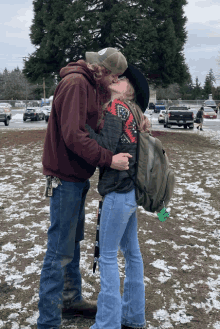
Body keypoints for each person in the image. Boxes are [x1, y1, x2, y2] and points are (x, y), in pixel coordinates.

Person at [37, 48, 132, 329]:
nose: (115, 81)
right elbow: (73, 135)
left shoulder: (91, 85)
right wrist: (107, 159)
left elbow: (96, 123)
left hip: (77, 177)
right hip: (64, 178)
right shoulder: (76, 84)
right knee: (58, 249)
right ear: (101, 70)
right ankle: (48, 321)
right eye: (113, 76)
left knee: (72, 242)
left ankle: (70, 300)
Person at [85, 65, 150, 329]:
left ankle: (107, 324)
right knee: (132, 253)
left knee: (108, 256)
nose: (118, 79)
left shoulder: (116, 108)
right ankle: (134, 318)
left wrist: (81, 128)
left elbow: (106, 148)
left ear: (129, 91)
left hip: (117, 192)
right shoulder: (135, 114)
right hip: (132, 193)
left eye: (122, 79)